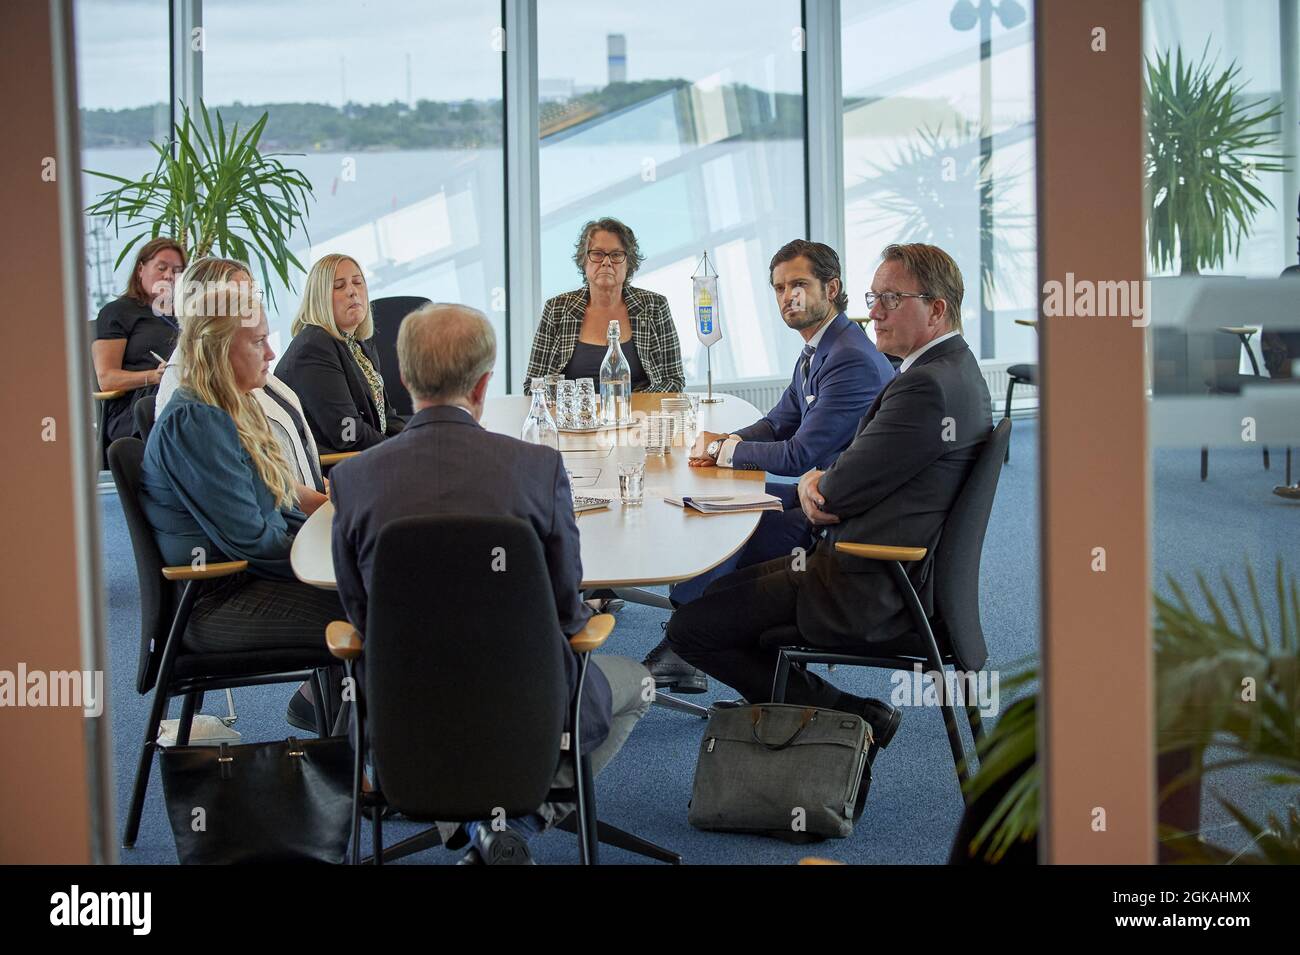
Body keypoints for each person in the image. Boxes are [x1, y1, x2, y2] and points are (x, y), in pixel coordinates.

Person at [331, 303, 651, 865]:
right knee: (639, 685)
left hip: (402, 705)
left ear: (404, 379)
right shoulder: (538, 468)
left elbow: (358, 614)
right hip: (528, 698)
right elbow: (567, 608)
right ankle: (522, 821)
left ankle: (462, 812)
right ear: (483, 385)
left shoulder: (353, 480)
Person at [664, 243, 993, 756]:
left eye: (891, 298)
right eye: (874, 296)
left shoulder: (925, 388)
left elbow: (833, 488)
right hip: (881, 566)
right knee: (713, 600)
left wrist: (815, 485)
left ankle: (846, 715)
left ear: (936, 309)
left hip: (868, 583)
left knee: (693, 628)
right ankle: (836, 715)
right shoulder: (953, 369)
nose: (875, 311)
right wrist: (813, 483)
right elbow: (834, 466)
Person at [644, 240, 896, 692]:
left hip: (834, 516)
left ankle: (688, 641)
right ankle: (685, 638)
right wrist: (726, 443)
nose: (787, 297)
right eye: (779, 288)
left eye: (799, 284)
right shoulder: (819, 348)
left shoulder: (849, 359)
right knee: (712, 497)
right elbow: (780, 420)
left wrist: (726, 453)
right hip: (818, 497)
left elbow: (799, 453)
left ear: (832, 287)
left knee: (721, 517)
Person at [139, 257, 337, 728]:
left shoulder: (230, 405)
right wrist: (339, 559)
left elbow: (275, 502)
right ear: (219, 349)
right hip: (213, 606)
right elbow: (255, 540)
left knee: (380, 591)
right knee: (380, 605)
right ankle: (370, 771)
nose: (271, 353)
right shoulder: (196, 419)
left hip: (243, 583)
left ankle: (360, 761)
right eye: (257, 340)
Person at [523, 217, 684, 393]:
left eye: (616, 255)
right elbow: (533, 385)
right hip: (574, 418)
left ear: (628, 263)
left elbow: (674, 380)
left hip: (638, 417)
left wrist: (630, 405)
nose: (606, 262)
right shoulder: (557, 309)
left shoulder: (654, 306)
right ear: (584, 261)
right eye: (597, 254)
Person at [275, 254, 406, 454]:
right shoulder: (313, 348)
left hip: (368, 454)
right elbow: (347, 432)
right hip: (338, 468)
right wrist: (400, 450)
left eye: (357, 282)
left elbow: (386, 416)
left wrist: (412, 440)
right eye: (339, 286)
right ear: (319, 297)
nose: (352, 292)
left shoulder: (358, 342)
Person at [158, 361, 325, 494]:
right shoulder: (191, 413)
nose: (271, 353)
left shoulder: (244, 377)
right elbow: (253, 517)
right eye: (257, 340)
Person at [93, 237, 187, 442]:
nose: (169, 276)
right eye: (161, 267)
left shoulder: (186, 316)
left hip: (181, 393)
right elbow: (106, 379)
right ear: (140, 270)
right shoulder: (118, 312)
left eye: (177, 271)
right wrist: (155, 376)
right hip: (136, 407)